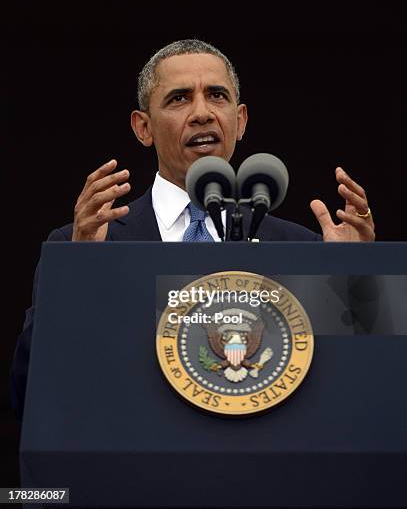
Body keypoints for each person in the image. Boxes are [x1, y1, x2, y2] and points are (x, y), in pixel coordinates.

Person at [11, 39, 375, 419]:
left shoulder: (304, 250)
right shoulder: (89, 246)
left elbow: (362, 395)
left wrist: (360, 280)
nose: (202, 113)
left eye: (217, 96)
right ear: (143, 127)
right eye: (179, 99)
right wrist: (78, 274)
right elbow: (29, 392)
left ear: (241, 120)